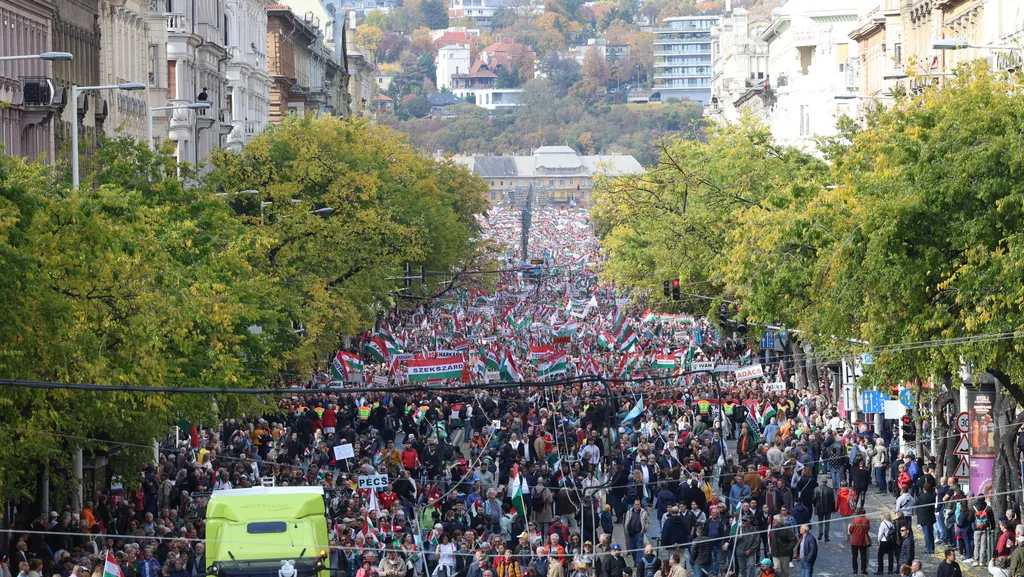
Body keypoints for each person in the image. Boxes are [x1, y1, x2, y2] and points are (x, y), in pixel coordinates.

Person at [623, 499, 648, 567]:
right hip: (631, 533)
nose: (637, 506)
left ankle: (638, 562)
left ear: (640, 505)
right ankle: (635, 560)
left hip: (639, 533)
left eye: (638, 504)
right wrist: (626, 529)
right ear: (634, 505)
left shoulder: (643, 512)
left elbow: (646, 521)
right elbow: (626, 521)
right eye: (636, 504)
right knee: (632, 548)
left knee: (639, 548)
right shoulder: (629, 512)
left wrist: (645, 529)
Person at [848, 507, 871, 576]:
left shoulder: (854, 520)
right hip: (863, 540)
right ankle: (863, 569)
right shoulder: (866, 520)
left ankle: (855, 570)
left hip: (855, 540)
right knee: (863, 556)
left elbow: (850, 530)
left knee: (854, 556)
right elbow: (867, 529)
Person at [916, 483, 937, 554]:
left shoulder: (921, 496)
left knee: (926, 534)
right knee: (931, 533)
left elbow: (916, 504)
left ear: (924, 488)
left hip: (924, 517)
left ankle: (927, 548)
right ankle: (932, 548)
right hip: (931, 517)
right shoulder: (932, 496)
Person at [812, 476, 835, 542]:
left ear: (821, 482)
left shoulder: (816, 489)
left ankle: (820, 532)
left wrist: (815, 506)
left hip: (819, 508)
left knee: (820, 522)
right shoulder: (830, 490)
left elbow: (814, 499)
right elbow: (833, 500)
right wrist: (833, 509)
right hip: (828, 509)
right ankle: (826, 536)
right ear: (826, 482)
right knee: (827, 523)